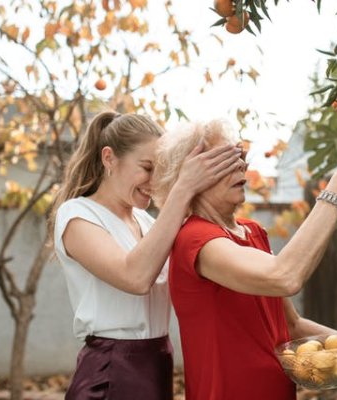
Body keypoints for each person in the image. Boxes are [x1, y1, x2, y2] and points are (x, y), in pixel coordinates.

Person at [151, 117, 337, 400]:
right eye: (226, 159)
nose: (242, 165)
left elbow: (289, 326)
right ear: (191, 175)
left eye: (239, 156)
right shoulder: (194, 239)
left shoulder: (252, 232)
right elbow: (285, 276)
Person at [48, 110, 243, 400]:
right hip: (112, 371)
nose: (155, 182)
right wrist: (184, 187)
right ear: (109, 158)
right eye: (147, 167)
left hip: (157, 366)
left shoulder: (148, 223)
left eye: (162, 171)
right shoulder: (77, 215)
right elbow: (135, 277)